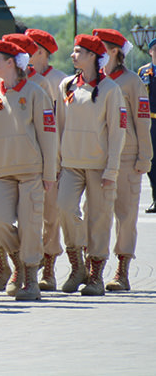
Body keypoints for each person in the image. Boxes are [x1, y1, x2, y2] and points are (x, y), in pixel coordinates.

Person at [0, 39, 57, 300]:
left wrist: (49, 173)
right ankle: (20, 263)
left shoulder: (36, 93)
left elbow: (48, 135)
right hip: (2, 173)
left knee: (30, 226)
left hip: (31, 173)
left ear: (11, 62)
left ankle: (31, 279)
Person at [55, 34, 124, 296]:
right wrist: (57, 163)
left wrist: (112, 169)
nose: (72, 56)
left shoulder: (110, 89)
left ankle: (95, 276)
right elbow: (59, 125)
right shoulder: (67, 85)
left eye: (78, 52)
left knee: (99, 219)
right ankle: (77, 267)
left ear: (93, 56)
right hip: (70, 163)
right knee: (64, 208)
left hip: (99, 165)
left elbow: (117, 131)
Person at [94, 28, 152, 291]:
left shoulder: (132, 82)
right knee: (95, 213)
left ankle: (122, 269)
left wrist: (144, 157)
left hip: (126, 156)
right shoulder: (93, 79)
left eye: (101, 48)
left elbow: (142, 122)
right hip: (96, 156)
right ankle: (94, 267)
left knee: (125, 214)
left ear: (114, 51)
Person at [24, 27, 68, 289]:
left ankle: (48, 268)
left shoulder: (59, 80)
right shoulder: (20, 78)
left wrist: (58, 159)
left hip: (53, 157)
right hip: (26, 157)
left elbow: (60, 123)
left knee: (51, 215)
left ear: (40, 51)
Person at [137, 37, 156, 213]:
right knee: (152, 161)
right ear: (150, 52)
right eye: (155, 49)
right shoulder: (143, 71)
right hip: (150, 121)